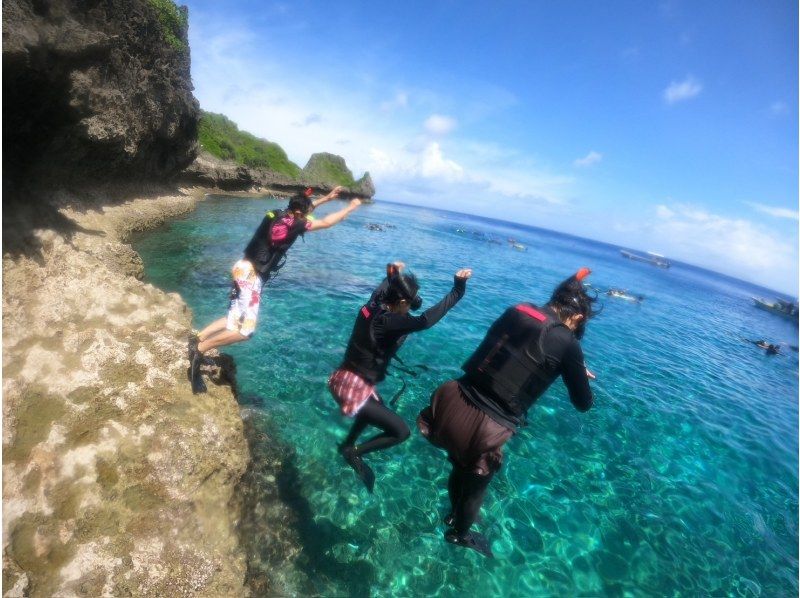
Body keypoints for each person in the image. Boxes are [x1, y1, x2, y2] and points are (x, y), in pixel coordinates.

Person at [417, 267, 597, 557]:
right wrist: (573, 365)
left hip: (453, 400)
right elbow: (583, 403)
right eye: (578, 326)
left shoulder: (518, 309)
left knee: (459, 467)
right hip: (485, 427)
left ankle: (453, 514)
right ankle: (459, 535)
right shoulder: (568, 342)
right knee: (475, 488)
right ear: (576, 318)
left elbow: (516, 350)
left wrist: (567, 362)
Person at [189, 186, 362, 393]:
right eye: (306, 213)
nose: (308, 216)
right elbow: (325, 222)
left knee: (233, 319)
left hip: (241, 266)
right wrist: (350, 208)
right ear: (300, 213)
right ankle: (199, 350)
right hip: (251, 276)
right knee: (245, 331)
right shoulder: (296, 223)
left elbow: (305, 207)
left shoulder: (278, 214)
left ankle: (197, 338)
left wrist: (327, 198)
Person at [329, 262, 472, 492]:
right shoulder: (389, 321)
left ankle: (347, 444)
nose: (414, 304)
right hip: (352, 386)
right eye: (411, 301)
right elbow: (425, 320)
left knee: (376, 408)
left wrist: (391, 274)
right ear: (403, 301)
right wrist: (458, 290)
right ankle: (352, 452)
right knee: (400, 431)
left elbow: (383, 288)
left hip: (345, 378)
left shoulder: (372, 304)